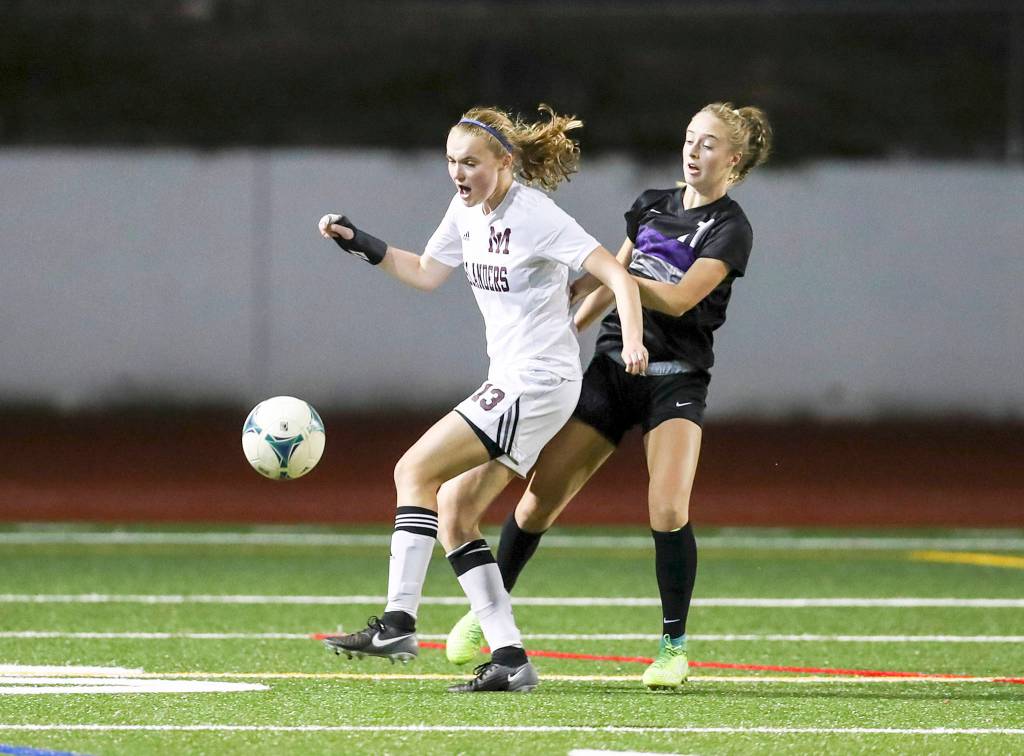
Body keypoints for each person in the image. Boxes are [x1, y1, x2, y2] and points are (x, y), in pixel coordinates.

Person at [443, 102, 773, 691]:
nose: (693, 151)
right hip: (612, 371)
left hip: (675, 378)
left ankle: (673, 647)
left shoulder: (731, 227)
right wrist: (574, 319)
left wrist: (617, 279)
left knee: (667, 508)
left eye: (708, 144)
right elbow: (608, 274)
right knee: (536, 503)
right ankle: (487, 612)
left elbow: (678, 298)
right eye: (689, 139)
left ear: (734, 160)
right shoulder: (651, 204)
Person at [317, 104, 647, 693]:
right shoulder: (464, 210)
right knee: (455, 512)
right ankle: (511, 660)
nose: (458, 173)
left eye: (470, 162)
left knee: (413, 470)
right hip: (519, 380)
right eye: (451, 161)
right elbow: (425, 271)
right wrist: (357, 242)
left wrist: (632, 342)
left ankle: (398, 622)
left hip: (538, 381)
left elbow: (617, 275)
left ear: (504, 162)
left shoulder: (536, 214)